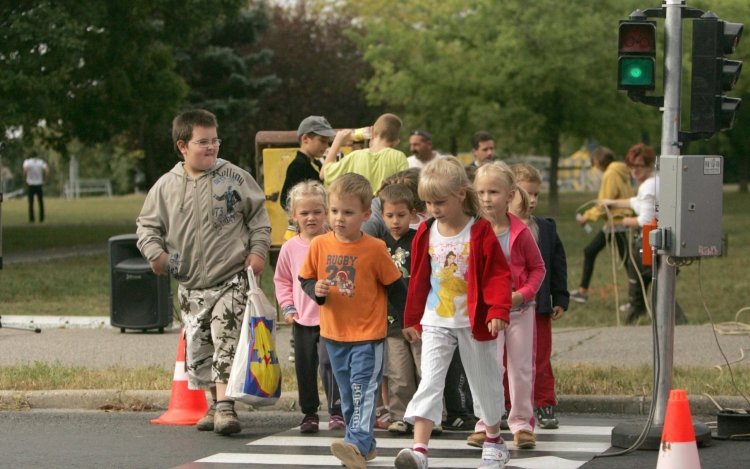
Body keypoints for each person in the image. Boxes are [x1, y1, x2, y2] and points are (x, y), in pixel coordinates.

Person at [136, 109, 271, 436]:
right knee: (200, 346)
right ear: (182, 146)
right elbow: (147, 227)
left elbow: (259, 219)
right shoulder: (166, 187)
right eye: (203, 142)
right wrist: (159, 257)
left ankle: (226, 407)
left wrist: (257, 253)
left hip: (231, 278)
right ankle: (214, 404)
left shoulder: (235, 178)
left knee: (226, 336)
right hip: (191, 284)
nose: (211, 147)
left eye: (215, 140)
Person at [395, 156, 513, 469]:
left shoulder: (481, 231)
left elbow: (498, 275)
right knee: (430, 379)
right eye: (427, 202)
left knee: (484, 380)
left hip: (476, 321)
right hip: (436, 321)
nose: (433, 208)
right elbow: (418, 278)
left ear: (461, 194)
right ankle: (420, 450)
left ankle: (493, 440)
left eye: (440, 201)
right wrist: (412, 318)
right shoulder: (426, 231)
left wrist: (498, 309)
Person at [299, 173, 408, 469]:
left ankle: (355, 445)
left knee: (362, 391)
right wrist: (317, 292)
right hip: (334, 334)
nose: (338, 218)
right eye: (334, 211)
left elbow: (397, 289)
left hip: (368, 336)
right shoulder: (320, 245)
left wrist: (409, 321)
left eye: (347, 213)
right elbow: (306, 278)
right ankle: (367, 446)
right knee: (348, 396)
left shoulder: (374, 248)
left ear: (366, 215)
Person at [468, 161, 545, 450]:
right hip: (486, 313)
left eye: (494, 192)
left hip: (520, 312)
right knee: (488, 368)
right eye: (481, 192)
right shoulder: (474, 231)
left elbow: (538, 268)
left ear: (511, 195)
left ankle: (522, 423)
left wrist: (522, 294)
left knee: (521, 369)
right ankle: (485, 423)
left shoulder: (521, 232)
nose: (487, 199)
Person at [273, 181, 345, 434]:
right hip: (302, 320)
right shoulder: (290, 248)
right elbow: (282, 280)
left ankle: (337, 411)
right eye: (304, 213)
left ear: (326, 211)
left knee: (330, 364)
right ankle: (309, 413)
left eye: (316, 211)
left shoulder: (334, 242)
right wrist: (288, 307)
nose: (310, 218)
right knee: (304, 367)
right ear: (294, 216)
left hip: (331, 318)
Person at [598, 143, 688, 325]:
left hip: (648, 244)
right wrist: (612, 203)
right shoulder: (655, 181)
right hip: (663, 243)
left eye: (639, 166)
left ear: (648, 166)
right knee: (660, 291)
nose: (634, 170)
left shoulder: (647, 187)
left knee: (644, 293)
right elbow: (637, 202)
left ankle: (637, 325)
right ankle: (675, 324)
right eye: (631, 166)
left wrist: (618, 222)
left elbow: (645, 221)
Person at [510, 163, 569, 430]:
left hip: (539, 305)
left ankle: (544, 402)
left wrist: (560, 297)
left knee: (540, 355)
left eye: (536, 195)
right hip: (506, 307)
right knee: (505, 359)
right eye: (527, 193)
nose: (532, 200)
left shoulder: (544, 228)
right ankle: (507, 404)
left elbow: (557, 264)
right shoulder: (495, 227)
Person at [376, 183, 421, 435]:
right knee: (399, 373)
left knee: (425, 369)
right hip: (391, 320)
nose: (395, 221)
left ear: (412, 213)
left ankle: (430, 416)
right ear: (382, 215)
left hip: (418, 319)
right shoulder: (377, 245)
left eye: (401, 215)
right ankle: (400, 415)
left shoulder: (419, 241)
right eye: (390, 215)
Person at [570, 146, 633, 304]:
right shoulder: (621, 171)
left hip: (616, 223)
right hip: (617, 222)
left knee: (628, 262)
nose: (595, 166)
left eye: (594, 163)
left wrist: (586, 217)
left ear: (598, 160)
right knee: (593, 252)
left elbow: (605, 203)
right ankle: (583, 291)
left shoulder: (611, 174)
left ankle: (636, 300)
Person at [279, 116, 336, 240]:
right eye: (322, 140)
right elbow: (285, 200)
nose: (326, 146)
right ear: (305, 138)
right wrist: (302, 221)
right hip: (302, 233)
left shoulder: (314, 165)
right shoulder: (298, 166)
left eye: (328, 142)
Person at [319, 113, 408, 193]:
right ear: (396, 142)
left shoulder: (355, 156)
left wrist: (337, 143)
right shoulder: (399, 157)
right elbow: (406, 187)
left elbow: (323, 174)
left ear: (372, 131)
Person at [23, 151, 49, 223]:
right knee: (40, 202)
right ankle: (41, 218)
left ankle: (31, 218)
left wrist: (25, 179)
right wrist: (45, 180)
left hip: (31, 184)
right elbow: (47, 170)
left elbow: (25, 170)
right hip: (39, 184)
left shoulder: (27, 162)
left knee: (31, 203)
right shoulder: (41, 162)